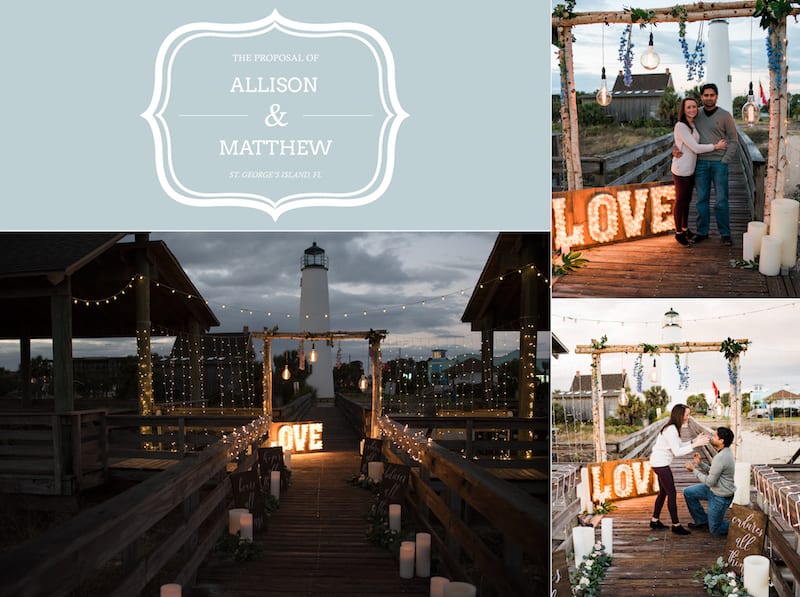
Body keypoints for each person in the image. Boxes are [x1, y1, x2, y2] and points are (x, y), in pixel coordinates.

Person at [671, 97, 727, 246]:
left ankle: (685, 228)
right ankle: (678, 233)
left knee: (687, 200)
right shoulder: (681, 126)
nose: (692, 110)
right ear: (683, 110)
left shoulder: (692, 124)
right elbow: (695, 147)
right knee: (680, 201)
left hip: (691, 169)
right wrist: (716, 146)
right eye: (688, 107)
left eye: (694, 107)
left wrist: (676, 146)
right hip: (681, 169)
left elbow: (683, 142)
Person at [648, 404, 709, 535]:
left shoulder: (673, 428)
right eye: (686, 415)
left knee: (663, 493)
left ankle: (654, 520)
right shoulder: (671, 430)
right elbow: (677, 452)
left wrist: (694, 440)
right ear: (679, 415)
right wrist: (696, 444)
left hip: (659, 462)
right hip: (661, 464)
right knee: (672, 493)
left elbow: (679, 445)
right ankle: (676, 525)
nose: (688, 417)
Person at [693, 83, 738, 246]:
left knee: (721, 200)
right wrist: (677, 147)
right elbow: (682, 131)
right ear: (701, 97)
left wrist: (725, 159)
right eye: (706, 95)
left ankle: (725, 233)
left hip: (719, 163)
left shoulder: (725, 115)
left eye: (712, 95)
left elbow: (733, 139)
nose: (709, 98)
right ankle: (702, 231)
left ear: (717, 96)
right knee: (701, 199)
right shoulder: (695, 114)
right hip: (700, 163)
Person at [683, 427, 736, 536]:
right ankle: (702, 521)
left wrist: (694, 470)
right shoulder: (724, 452)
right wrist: (700, 464)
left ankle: (741, 523)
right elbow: (714, 472)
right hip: (714, 490)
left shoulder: (721, 457)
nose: (712, 438)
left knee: (715, 530)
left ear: (721, 441)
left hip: (720, 496)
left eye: (714, 436)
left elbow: (710, 482)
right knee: (688, 492)